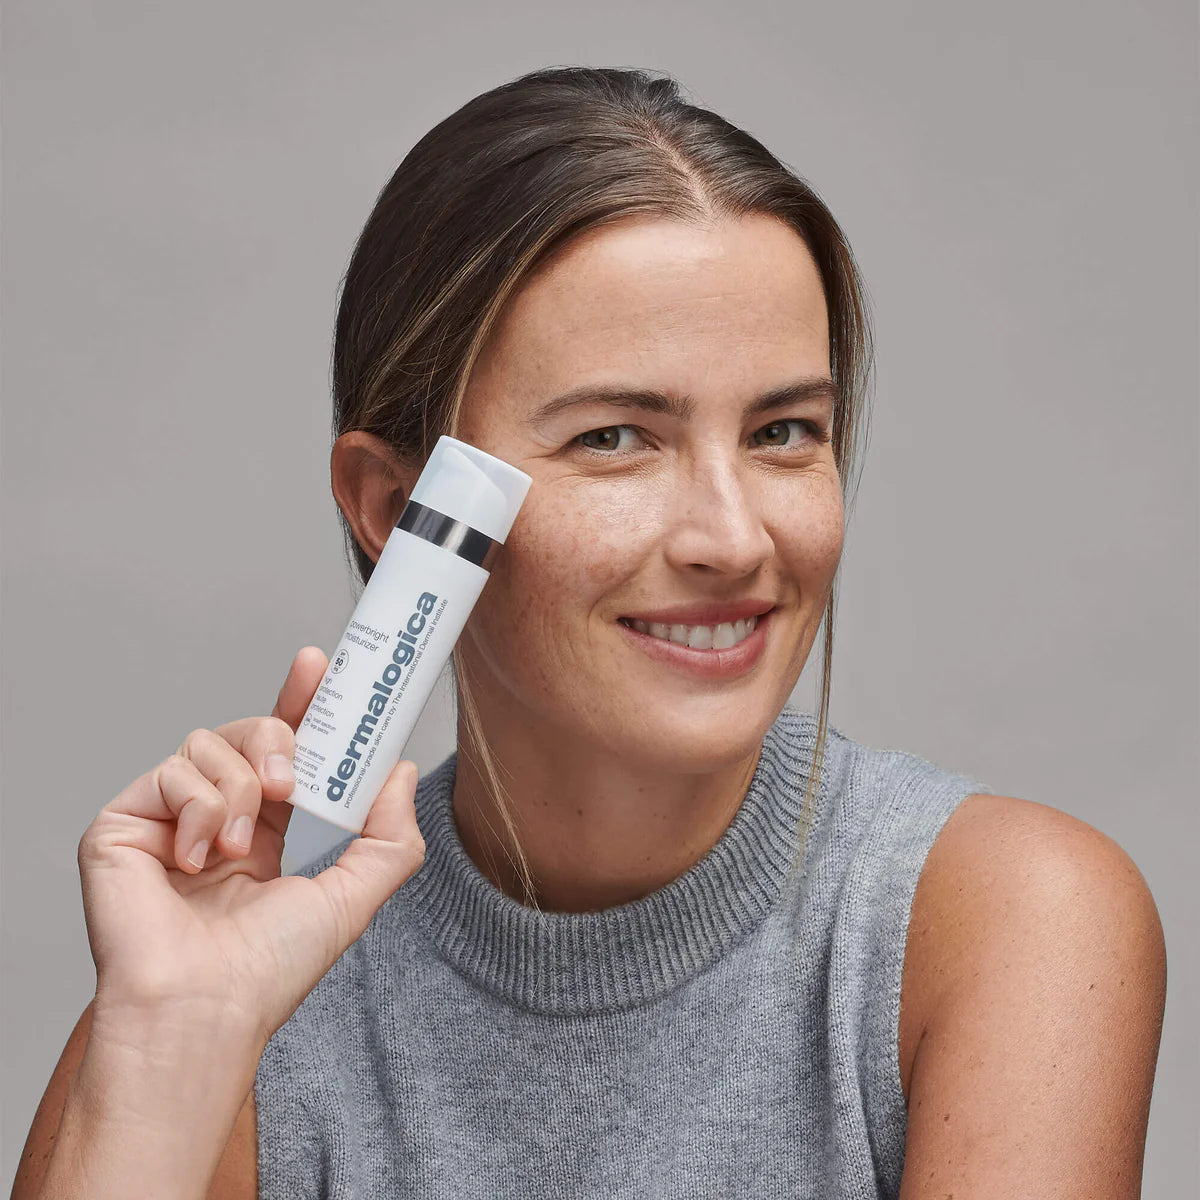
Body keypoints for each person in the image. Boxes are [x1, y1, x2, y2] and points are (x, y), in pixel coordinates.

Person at [15, 66, 1166, 1200]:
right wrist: (173, 1049)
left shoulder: (1004, 919)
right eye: (615, 437)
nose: (732, 536)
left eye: (783, 431)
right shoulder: (232, 1012)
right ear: (393, 509)